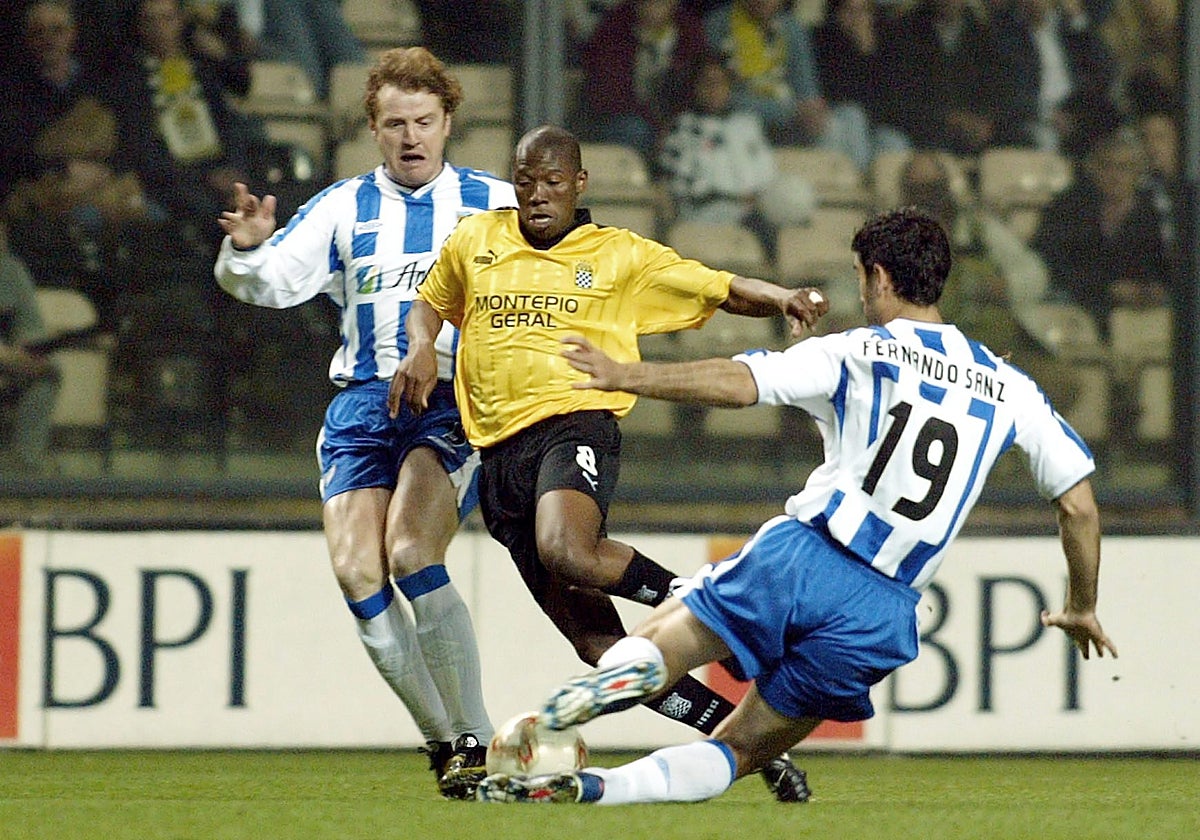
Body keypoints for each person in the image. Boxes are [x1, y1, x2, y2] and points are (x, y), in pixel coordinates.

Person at [474, 206, 1119, 805]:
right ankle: (593, 791)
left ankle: (573, 707)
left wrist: (627, 375)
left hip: (807, 555)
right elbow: (1080, 508)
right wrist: (1084, 605)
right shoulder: (1010, 387)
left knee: (662, 642)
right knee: (740, 748)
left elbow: (739, 380)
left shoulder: (860, 351)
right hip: (883, 608)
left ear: (879, 275)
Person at [390, 124, 827, 803]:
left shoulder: (616, 255)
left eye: (553, 182)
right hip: (498, 458)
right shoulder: (476, 241)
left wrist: (782, 298)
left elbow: (715, 285)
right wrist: (420, 346)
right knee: (602, 650)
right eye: (527, 180)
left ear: (580, 185)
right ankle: (745, 745)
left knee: (567, 547)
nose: (537, 195)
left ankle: (710, 602)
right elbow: (429, 305)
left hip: (574, 424)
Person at [214, 46, 516, 799]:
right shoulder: (341, 206)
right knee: (357, 571)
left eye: (423, 121)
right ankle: (444, 741)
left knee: (412, 550)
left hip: (449, 402)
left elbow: (567, 283)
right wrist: (246, 250)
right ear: (372, 131)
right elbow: (275, 281)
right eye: (393, 124)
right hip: (360, 405)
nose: (410, 137)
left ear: (449, 122)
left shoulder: (497, 204)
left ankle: (476, 735)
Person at [658, 56, 816, 261]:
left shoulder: (747, 124)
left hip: (757, 208)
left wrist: (757, 198)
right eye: (707, 83)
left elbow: (767, 174)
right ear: (696, 87)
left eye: (720, 82)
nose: (714, 89)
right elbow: (683, 188)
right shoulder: (682, 128)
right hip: (708, 213)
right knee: (763, 228)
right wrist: (737, 200)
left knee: (796, 202)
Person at [703, 0, 872, 171]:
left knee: (850, 116)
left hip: (792, 118)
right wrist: (788, 111)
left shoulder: (791, 26)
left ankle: (851, 188)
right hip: (744, 119)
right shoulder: (719, 24)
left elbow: (806, 86)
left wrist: (812, 110)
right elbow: (720, 96)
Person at [578, 0, 708, 164]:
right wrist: (657, 125)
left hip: (678, 119)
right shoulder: (614, 27)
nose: (654, 6)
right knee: (634, 130)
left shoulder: (689, 30)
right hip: (625, 118)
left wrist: (673, 124)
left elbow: (697, 83)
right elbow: (607, 93)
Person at [0, 220, 61, 476]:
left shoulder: (11, 271)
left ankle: (25, 465)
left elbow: (31, 329)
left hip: (7, 362)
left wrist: (29, 353)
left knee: (46, 374)